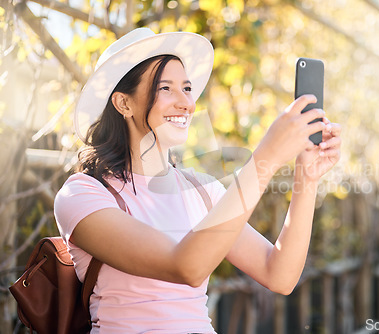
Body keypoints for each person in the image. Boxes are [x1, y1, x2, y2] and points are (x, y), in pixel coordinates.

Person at [54, 27, 341, 333]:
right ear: (124, 103)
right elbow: (186, 266)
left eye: (187, 88)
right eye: (165, 88)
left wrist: (307, 176)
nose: (185, 103)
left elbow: (279, 275)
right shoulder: (83, 195)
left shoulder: (201, 191)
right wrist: (265, 157)